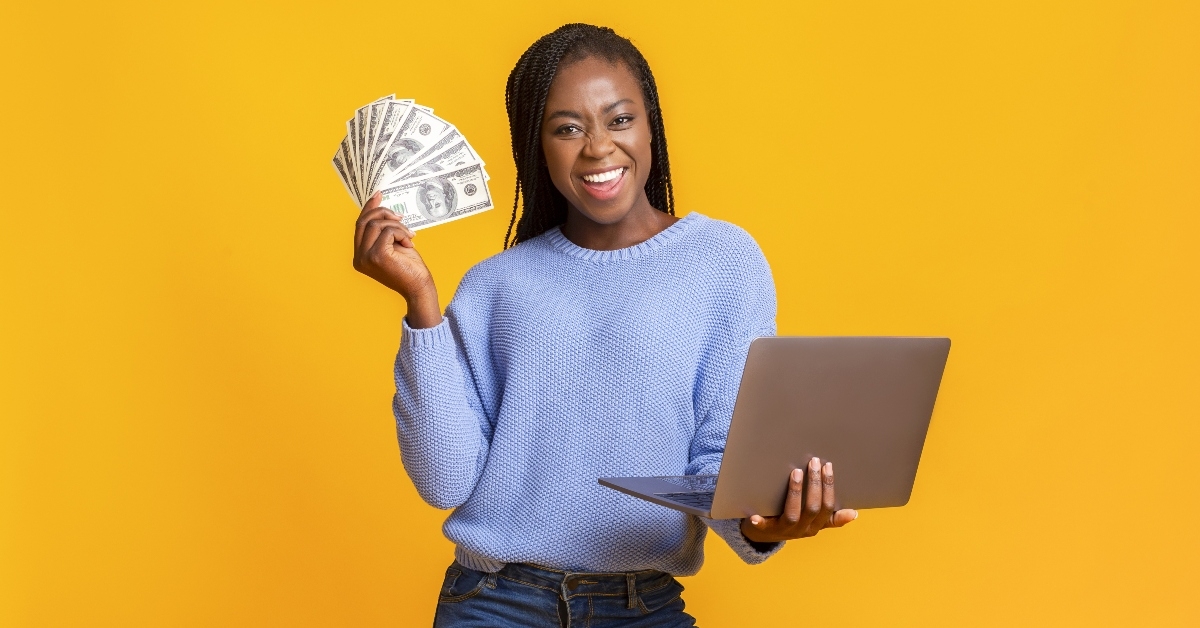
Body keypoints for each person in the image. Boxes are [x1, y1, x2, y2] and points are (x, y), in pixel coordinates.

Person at [351, 23, 857, 628]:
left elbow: (717, 459)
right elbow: (445, 479)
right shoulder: (495, 285)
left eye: (620, 120)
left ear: (650, 126)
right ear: (536, 145)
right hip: (494, 603)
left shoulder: (724, 262)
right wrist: (421, 302)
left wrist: (764, 525)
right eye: (568, 128)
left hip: (644, 606)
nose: (597, 148)